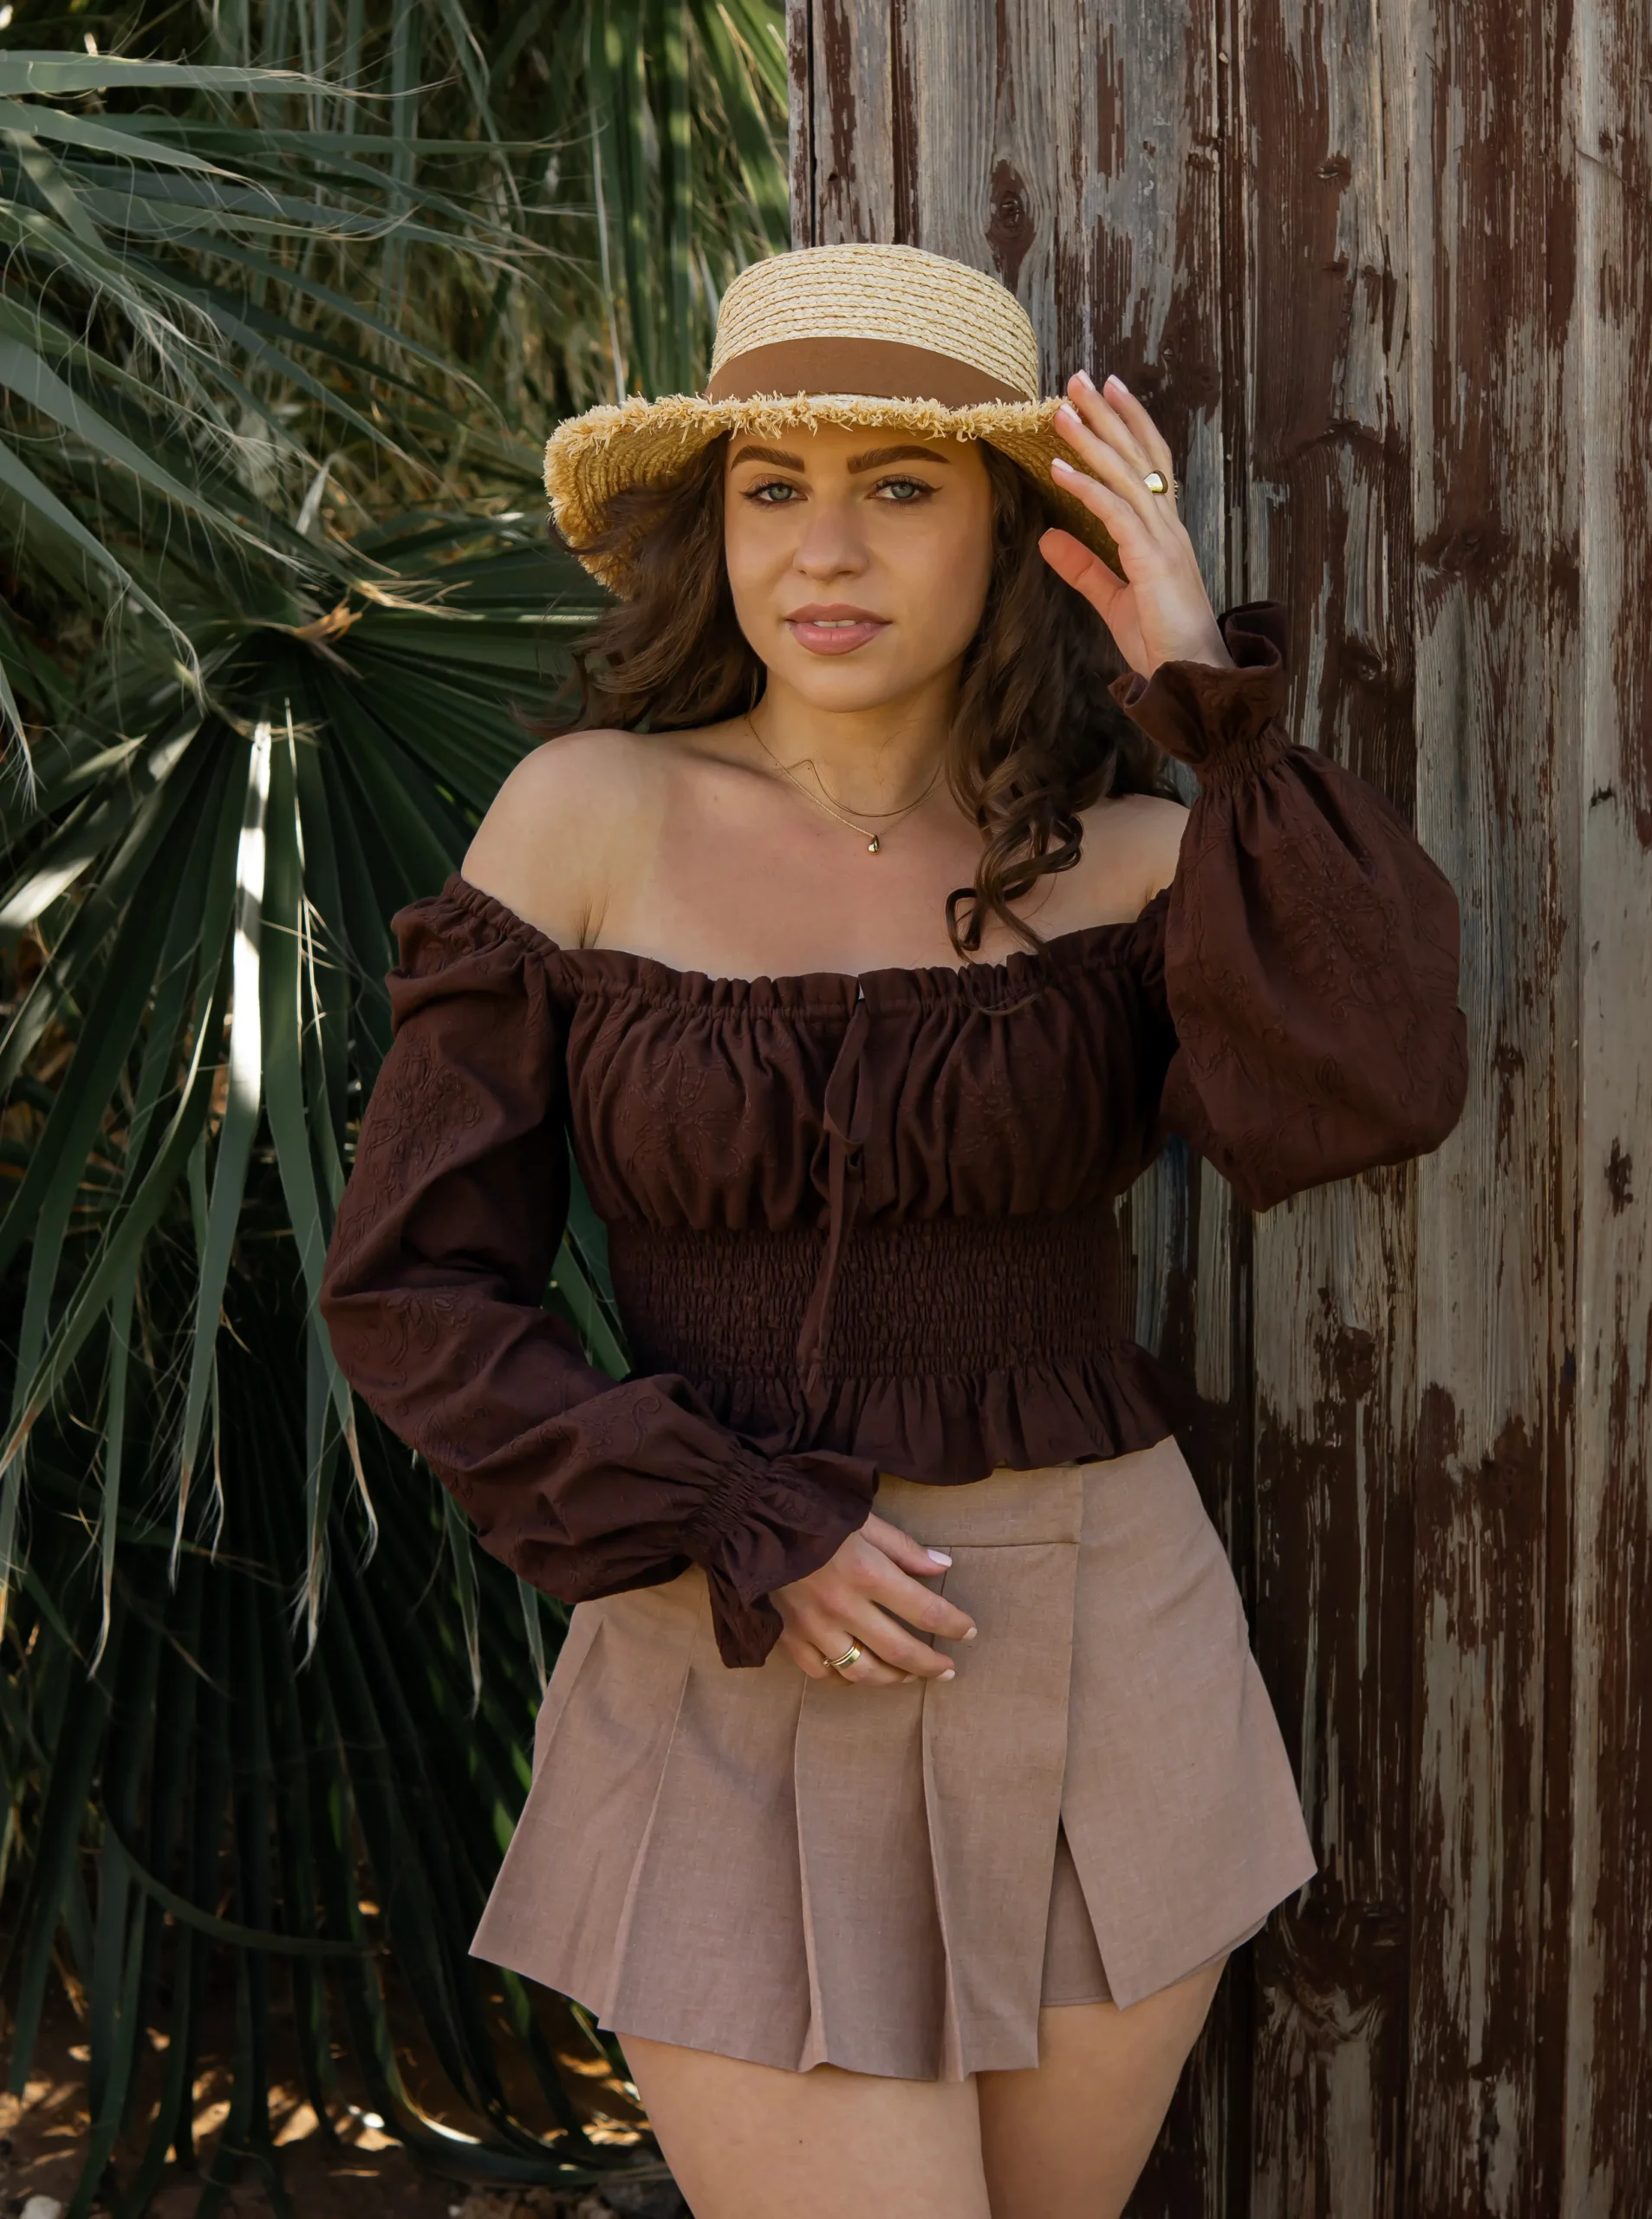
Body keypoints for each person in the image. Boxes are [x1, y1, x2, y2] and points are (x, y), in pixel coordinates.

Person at [319, 242, 1468, 2219]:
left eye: (902, 487)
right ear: (714, 528)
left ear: (1016, 536)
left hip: (1109, 1650)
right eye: (773, 487)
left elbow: (1378, 1077)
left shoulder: (1137, 861)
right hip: (736, 1631)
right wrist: (734, 1511)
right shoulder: (587, 815)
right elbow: (413, 1283)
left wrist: (1206, 697)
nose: (823, 548)